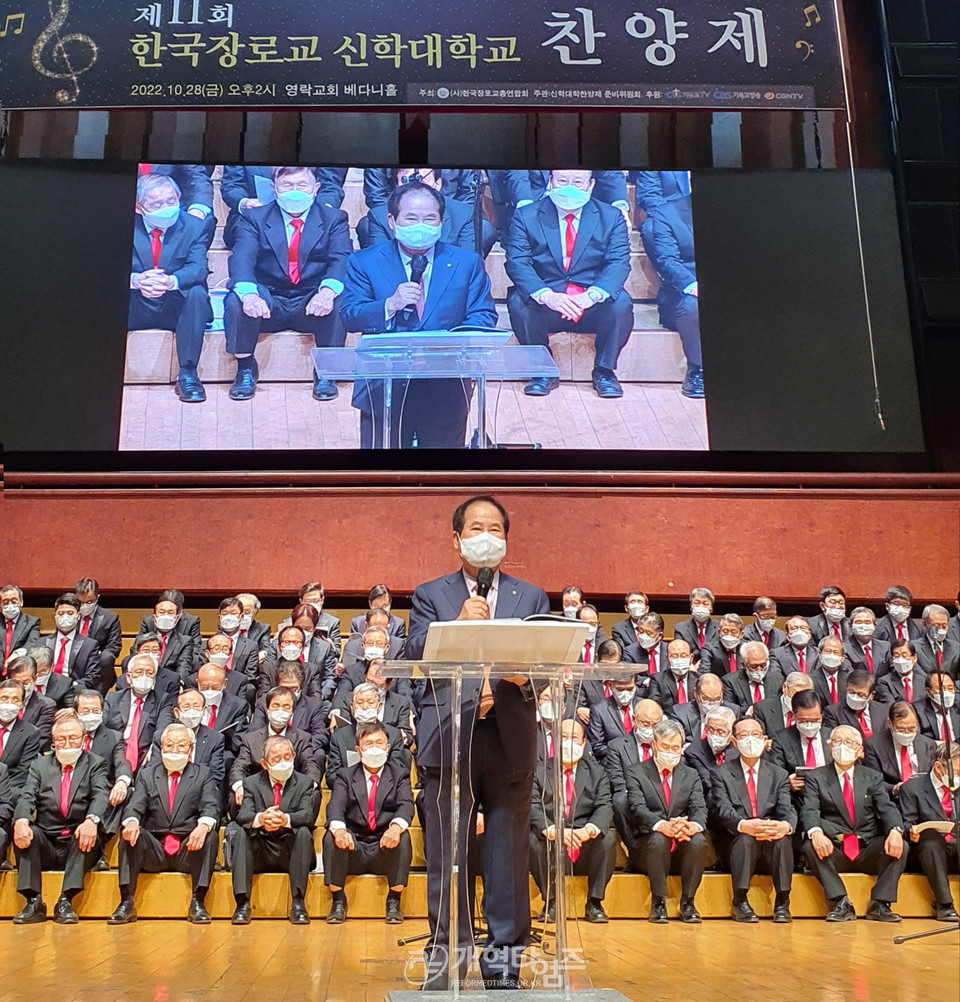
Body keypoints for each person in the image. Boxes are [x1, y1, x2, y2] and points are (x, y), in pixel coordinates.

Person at [404, 495, 549, 990]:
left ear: (506, 540)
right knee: (449, 853)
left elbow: (547, 666)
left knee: (508, 856)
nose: (486, 535)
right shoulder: (431, 595)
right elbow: (415, 653)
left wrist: (522, 677)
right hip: (450, 736)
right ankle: (447, 958)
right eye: (476, 527)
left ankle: (503, 963)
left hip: (508, 736)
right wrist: (460, 623)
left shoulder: (531, 597)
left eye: (495, 528)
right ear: (457, 539)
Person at [339, 181, 498, 449]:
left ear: (441, 221)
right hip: (385, 386)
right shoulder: (364, 262)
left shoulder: (466, 262)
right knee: (384, 475)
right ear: (392, 221)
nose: (420, 226)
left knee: (443, 475)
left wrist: (448, 345)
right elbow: (350, 315)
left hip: (446, 386)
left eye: (429, 218)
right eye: (411, 218)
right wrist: (389, 305)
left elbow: (482, 315)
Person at [225, 165, 352, 401]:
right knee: (236, 298)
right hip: (270, 299)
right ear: (274, 189)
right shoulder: (255, 218)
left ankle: (326, 371)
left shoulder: (334, 218)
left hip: (310, 298)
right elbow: (242, 259)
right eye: (287, 185)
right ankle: (245, 368)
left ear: (316, 189)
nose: (295, 191)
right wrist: (250, 295)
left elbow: (341, 259)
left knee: (340, 298)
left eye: (302, 185)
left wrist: (327, 291)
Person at [505, 169, 632, 399]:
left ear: (591, 184)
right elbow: (517, 263)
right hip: (549, 300)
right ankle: (542, 370)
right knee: (518, 302)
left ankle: (604, 371)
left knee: (620, 302)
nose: (569, 188)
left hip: (589, 299)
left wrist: (591, 296)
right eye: (562, 181)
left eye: (577, 182)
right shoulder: (526, 215)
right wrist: (546, 295)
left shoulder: (611, 217)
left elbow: (619, 264)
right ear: (551, 182)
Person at [108, 723, 220, 924]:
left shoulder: (203, 774)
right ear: (161, 747)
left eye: (181, 745)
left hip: (187, 846)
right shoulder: (146, 774)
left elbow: (211, 806)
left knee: (209, 834)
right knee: (129, 831)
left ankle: (198, 901)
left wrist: (202, 827)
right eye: (169, 745)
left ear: (190, 749)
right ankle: (126, 901)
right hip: (155, 848)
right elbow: (135, 805)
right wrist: (131, 821)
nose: (175, 750)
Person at [801, 725, 907, 921]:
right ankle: (841, 902)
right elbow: (809, 810)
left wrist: (895, 830)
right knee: (809, 846)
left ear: (859, 750)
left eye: (848, 742)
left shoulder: (872, 776)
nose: (843, 746)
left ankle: (881, 904)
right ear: (830, 746)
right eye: (838, 741)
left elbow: (887, 807)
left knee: (902, 845)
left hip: (866, 845)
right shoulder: (815, 777)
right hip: (835, 847)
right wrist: (816, 833)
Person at [11, 715, 108, 924]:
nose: (67, 744)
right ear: (53, 741)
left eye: (73, 738)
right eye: (61, 739)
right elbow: (28, 795)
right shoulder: (40, 765)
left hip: (79, 838)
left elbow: (101, 795)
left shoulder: (95, 764)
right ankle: (33, 901)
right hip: (47, 839)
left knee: (85, 834)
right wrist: (21, 820)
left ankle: (66, 900)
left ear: (83, 739)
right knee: (26, 832)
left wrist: (92, 820)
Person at [128, 172, 211, 403]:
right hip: (136, 302)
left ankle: (188, 374)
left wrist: (169, 282)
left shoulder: (194, 226)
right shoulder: (120, 222)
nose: (166, 207)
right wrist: (136, 281)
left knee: (196, 293)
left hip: (172, 303)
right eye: (156, 204)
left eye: (171, 201)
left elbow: (198, 268)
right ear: (138, 207)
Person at [323, 722, 414, 924]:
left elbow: (406, 805)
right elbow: (335, 807)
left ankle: (394, 901)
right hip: (353, 845)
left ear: (388, 748)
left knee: (404, 836)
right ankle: (338, 901)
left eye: (379, 743)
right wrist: (340, 831)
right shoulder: (345, 775)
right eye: (368, 744)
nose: (374, 748)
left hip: (384, 845)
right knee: (331, 836)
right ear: (358, 750)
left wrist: (395, 828)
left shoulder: (399, 774)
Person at [529, 719, 615, 923]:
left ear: (584, 744)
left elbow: (605, 806)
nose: (569, 742)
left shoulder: (597, 772)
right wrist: (554, 831)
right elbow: (532, 806)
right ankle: (550, 902)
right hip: (552, 836)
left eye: (574, 738)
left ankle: (594, 903)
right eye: (563, 737)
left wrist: (588, 831)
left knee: (608, 839)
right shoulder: (538, 771)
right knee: (533, 839)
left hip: (583, 838)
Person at [712, 716, 796, 923]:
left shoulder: (779, 774)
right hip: (737, 840)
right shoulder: (721, 773)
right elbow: (722, 809)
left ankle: (783, 902)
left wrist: (784, 826)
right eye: (744, 735)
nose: (750, 739)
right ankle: (739, 901)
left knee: (783, 839)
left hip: (768, 837)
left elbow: (787, 809)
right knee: (745, 839)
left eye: (756, 735)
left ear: (764, 739)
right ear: (733, 741)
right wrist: (744, 825)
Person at [625, 718, 709, 923]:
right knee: (659, 839)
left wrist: (692, 825)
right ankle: (659, 901)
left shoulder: (691, 774)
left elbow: (699, 807)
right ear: (653, 745)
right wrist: (663, 825)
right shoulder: (636, 772)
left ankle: (688, 902)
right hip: (649, 841)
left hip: (681, 837)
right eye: (665, 746)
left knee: (698, 840)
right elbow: (638, 808)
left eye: (675, 747)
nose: (670, 752)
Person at [231, 734, 318, 925]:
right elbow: (243, 815)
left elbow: (307, 816)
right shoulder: (251, 783)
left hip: (289, 851)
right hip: (261, 850)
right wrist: (261, 818)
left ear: (294, 755)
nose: (283, 762)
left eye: (287, 757)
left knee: (303, 832)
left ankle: (298, 904)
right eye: (276, 759)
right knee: (241, 833)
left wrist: (284, 819)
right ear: (264, 763)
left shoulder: (304, 782)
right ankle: (242, 904)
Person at [632, 170, 703, 398]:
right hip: (682, 290)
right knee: (693, 307)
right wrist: (693, 286)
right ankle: (698, 370)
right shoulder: (668, 212)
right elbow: (667, 260)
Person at [359, 167, 494, 256]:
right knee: (368, 224)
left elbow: (468, 197)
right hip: (400, 214)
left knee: (482, 228)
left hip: (447, 216)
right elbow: (376, 197)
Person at [899, 740, 960, 922]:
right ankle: (944, 904)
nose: (959, 776)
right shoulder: (912, 789)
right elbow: (907, 822)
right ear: (939, 767)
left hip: (956, 846)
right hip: (928, 853)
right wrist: (912, 830)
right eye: (956, 772)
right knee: (931, 838)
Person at [219, 166, 347, 248]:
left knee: (327, 230)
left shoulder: (324, 141)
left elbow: (330, 186)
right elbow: (232, 185)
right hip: (255, 216)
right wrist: (244, 202)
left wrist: (323, 211)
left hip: (310, 214)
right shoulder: (244, 140)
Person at [603, 699, 662, 861]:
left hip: (659, 794)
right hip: (630, 793)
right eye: (645, 723)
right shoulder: (617, 745)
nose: (650, 729)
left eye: (655, 724)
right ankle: (633, 847)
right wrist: (636, 793)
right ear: (634, 719)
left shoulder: (664, 745)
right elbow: (616, 778)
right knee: (619, 800)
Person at [325, 682, 406, 788]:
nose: (365, 707)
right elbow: (332, 776)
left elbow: (397, 774)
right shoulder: (339, 737)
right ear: (352, 706)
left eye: (370, 702)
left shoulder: (393, 735)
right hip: (349, 794)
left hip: (384, 794)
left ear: (379, 706)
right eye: (360, 702)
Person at [104, 653, 164, 795]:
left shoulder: (162, 700)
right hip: (116, 751)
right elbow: (104, 730)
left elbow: (163, 726)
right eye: (139, 672)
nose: (144, 676)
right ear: (129, 678)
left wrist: (154, 746)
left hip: (144, 754)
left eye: (149, 673)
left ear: (154, 679)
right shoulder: (113, 698)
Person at [0, 680, 41, 863]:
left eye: (15, 699)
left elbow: (24, 771)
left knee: (16, 796)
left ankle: (5, 850)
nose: (9, 703)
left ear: (21, 704)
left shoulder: (30, 733)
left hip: (10, 787)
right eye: (4, 698)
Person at [862, 701, 937, 799]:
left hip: (924, 799)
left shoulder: (928, 744)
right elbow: (872, 780)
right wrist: (894, 789)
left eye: (911, 729)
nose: (906, 733)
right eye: (901, 729)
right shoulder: (873, 745)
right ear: (889, 723)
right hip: (892, 800)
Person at [40, 593, 101, 691]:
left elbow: (92, 677)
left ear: (78, 616)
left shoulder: (90, 645)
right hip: (45, 690)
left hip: (73, 690)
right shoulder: (42, 643)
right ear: (55, 616)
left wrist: (72, 687)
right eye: (61, 613)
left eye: (70, 613)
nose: (65, 617)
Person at [73, 577, 123, 693]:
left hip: (97, 663)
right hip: (73, 661)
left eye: (89, 602)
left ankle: (99, 695)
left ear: (97, 598)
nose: (84, 606)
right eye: (81, 602)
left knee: (107, 658)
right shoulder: (69, 615)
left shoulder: (110, 618)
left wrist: (92, 654)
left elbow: (114, 647)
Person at [683, 706, 739, 803]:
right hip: (711, 800)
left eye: (720, 731)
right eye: (710, 730)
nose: (714, 735)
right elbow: (708, 782)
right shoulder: (693, 751)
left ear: (731, 733)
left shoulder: (738, 750)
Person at [136, 589, 202, 659]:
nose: (166, 616)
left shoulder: (191, 622)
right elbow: (136, 647)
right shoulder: (148, 621)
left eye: (170, 612)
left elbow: (195, 651)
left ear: (179, 612)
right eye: (162, 611)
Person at [824, 668, 889, 739]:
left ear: (872, 695)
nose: (854, 697)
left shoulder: (883, 710)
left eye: (861, 695)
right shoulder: (833, 712)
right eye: (851, 692)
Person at [6, 657, 55, 749]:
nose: (21, 688)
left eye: (25, 682)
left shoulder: (46, 705)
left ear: (35, 678)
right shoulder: (2, 700)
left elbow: (40, 740)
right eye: (16, 682)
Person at [722, 641, 785, 712]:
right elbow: (729, 709)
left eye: (763, 665)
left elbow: (781, 706)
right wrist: (751, 710)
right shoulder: (730, 681)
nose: (759, 670)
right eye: (754, 666)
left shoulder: (777, 679)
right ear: (744, 665)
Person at [753, 672, 814, 737]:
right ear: (784, 687)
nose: (797, 699)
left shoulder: (812, 711)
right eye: (794, 693)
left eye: (803, 696)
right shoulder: (763, 709)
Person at [649, 638, 698, 714]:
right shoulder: (657, 680)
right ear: (667, 658)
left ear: (691, 658)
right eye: (674, 656)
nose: (679, 660)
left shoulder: (698, 680)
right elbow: (655, 705)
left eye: (683, 656)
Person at [876, 639, 928, 706]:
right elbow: (890, 706)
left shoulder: (924, 680)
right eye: (897, 656)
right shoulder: (884, 682)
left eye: (904, 656)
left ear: (914, 658)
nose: (900, 660)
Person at [844, 607, 892, 676]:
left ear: (875, 626)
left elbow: (892, 673)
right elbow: (849, 674)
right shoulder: (844, 648)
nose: (863, 626)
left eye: (867, 622)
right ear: (850, 625)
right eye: (859, 622)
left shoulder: (885, 647)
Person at [915, 605, 959, 675]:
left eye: (944, 626)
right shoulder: (915, 647)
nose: (941, 629)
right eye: (936, 625)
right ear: (925, 624)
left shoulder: (956, 647)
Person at [810, 635, 852, 707]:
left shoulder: (849, 680)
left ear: (842, 658)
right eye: (827, 651)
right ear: (820, 655)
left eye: (836, 652)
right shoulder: (810, 680)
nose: (831, 655)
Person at [1, 586, 41, 659]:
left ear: (21, 602)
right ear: (1, 604)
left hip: (18, 666)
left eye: (14, 601)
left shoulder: (32, 622)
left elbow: (32, 644)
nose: (10, 605)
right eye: (6, 602)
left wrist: (17, 654)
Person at [674, 588, 717, 655]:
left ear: (711, 608)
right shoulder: (680, 628)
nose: (701, 606)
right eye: (697, 603)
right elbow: (679, 652)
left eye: (705, 603)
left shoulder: (719, 627)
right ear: (691, 607)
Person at [918, 672, 958, 742]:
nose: (947, 693)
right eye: (940, 689)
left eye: (950, 688)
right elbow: (919, 741)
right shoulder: (917, 711)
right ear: (928, 691)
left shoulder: (958, 707)